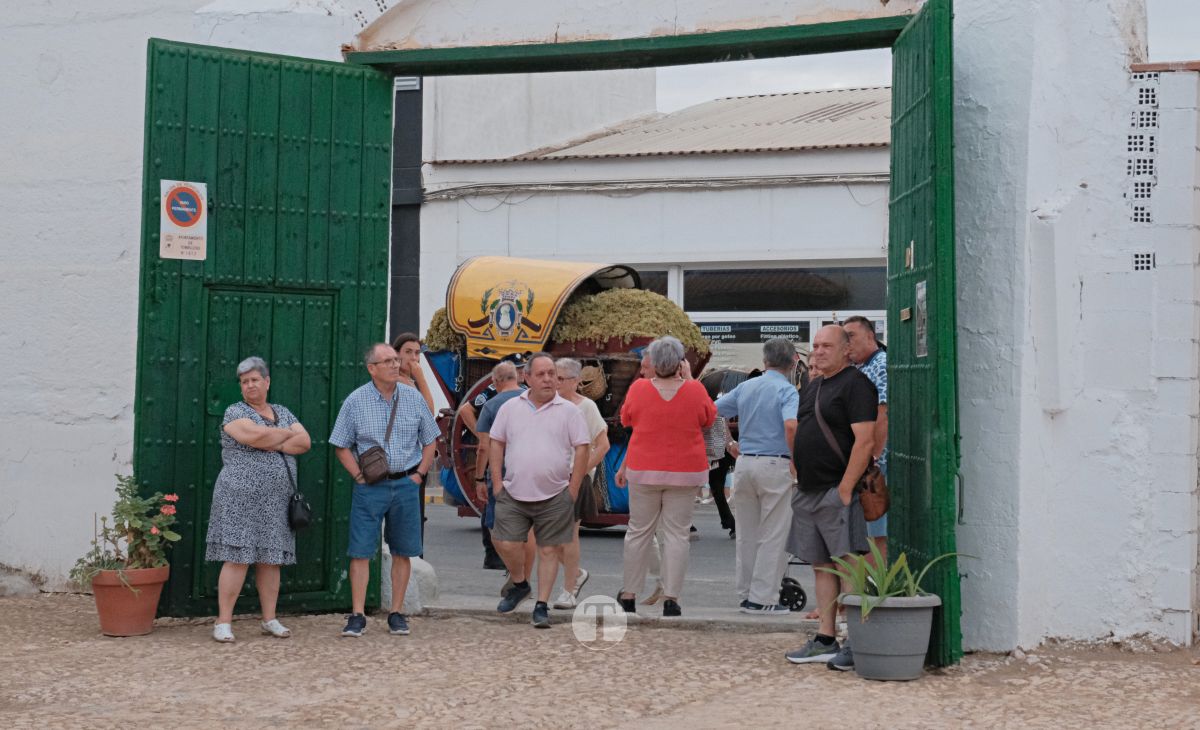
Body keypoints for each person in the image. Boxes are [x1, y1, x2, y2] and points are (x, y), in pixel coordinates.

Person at [329, 343, 439, 638]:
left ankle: (397, 613)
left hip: (406, 484)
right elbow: (340, 444)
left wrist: (419, 475)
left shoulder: (413, 398)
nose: (395, 364)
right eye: (387, 361)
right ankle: (357, 615)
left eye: (395, 360)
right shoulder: (355, 401)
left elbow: (431, 439)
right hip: (371, 487)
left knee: (403, 551)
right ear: (372, 369)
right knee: (360, 551)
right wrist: (357, 475)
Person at [784, 325, 876, 671]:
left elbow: (865, 441)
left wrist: (846, 489)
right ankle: (825, 638)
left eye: (827, 346)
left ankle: (857, 641)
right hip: (808, 490)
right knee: (821, 565)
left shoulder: (856, 385)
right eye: (816, 345)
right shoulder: (813, 384)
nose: (819, 351)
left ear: (846, 350)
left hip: (836, 490)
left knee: (848, 564)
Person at [206, 357, 312, 643]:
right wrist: (283, 435)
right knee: (237, 558)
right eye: (244, 382)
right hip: (238, 498)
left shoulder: (282, 411)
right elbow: (253, 436)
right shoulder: (234, 411)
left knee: (271, 559)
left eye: (254, 380)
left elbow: (304, 442)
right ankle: (223, 622)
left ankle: (269, 619)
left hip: (276, 501)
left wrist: (270, 437)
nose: (250, 385)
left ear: (267, 382)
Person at [487, 353, 591, 628]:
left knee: (548, 550)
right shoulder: (510, 408)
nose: (548, 379)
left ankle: (541, 606)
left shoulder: (570, 411)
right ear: (527, 378)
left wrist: (573, 488)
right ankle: (520, 584)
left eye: (552, 374)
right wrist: (497, 483)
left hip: (556, 493)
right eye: (541, 374)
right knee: (504, 541)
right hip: (513, 491)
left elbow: (583, 447)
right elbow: (496, 442)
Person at [616, 336, 716, 618]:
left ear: (653, 362)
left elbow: (626, 419)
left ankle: (629, 595)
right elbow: (709, 418)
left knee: (638, 532)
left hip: (644, 469)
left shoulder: (639, 388)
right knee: (677, 535)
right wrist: (690, 379)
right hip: (685, 471)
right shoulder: (695, 390)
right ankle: (671, 598)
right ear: (680, 362)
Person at [715, 338, 800, 615]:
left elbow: (713, 411)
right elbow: (791, 425)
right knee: (773, 534)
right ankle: (763, 598)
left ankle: (746, 593)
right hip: (775, 464)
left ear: (764, 361)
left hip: (745, 463)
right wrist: (796, 459)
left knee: (746, 534)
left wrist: (729, 443)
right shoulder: (787, 391)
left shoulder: (746, 386)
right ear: (793, 362)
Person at [551, 357, 610, 608]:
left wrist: (581, 472)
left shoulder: (586, 407)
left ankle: (568, 590)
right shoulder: (548, 404)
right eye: (553, 377)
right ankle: (576, 573)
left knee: (570, 534)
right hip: (549, 476)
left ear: (575, 381)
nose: (555, 382)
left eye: (560, 378)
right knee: (544, 536)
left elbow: (603, 444)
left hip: (574, 476)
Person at [459, 353, 527, 570]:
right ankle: (514, 560)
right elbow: (466, 410)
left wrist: (479, 477)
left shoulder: (500, 400)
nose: (522, 372)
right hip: (525, 466)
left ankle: (500, 557)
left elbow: (484, 447)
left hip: (501, 465)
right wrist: (482, 434)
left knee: (495, 509)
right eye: (519, 369)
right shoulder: (530, 398)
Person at [843, 315, 888, 563]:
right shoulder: (860, 368)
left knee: (875, 532)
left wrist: (872, 458)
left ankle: (873, 583)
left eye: (851, 336)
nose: (847, 343)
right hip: (863, 461)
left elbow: (883, 413)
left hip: (875, 466)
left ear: (870, 336)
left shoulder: (880, 365)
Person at [392, 332, 436, 416]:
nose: (413, 358)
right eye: (408, 352)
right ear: (396, 354)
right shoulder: (398, 380)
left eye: (417, 353)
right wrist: (421, 378)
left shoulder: (406, 379)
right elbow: (429, 413)